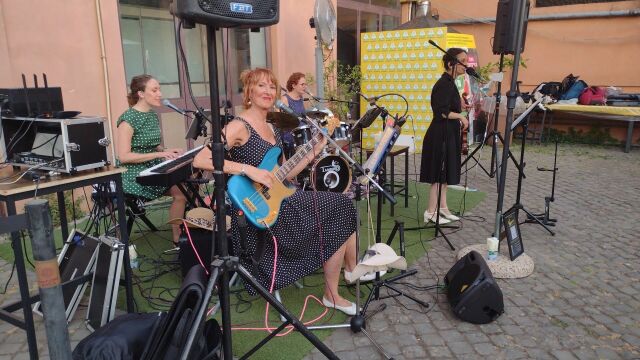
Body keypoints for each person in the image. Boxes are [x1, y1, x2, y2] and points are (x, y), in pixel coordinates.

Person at [193, 68, 359, 315]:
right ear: (249, 91)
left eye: (272, 87)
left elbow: (284, 174)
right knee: (339, 206)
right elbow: (201, 158)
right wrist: (249, 170)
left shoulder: (272, 126)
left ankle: (338, 285)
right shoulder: (239, 125)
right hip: (254, 209)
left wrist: (314, 150)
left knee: (342, 204)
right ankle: (338, 286)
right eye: (261, 86)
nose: (268, 91)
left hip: (280, 199)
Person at [116, 74, 187, 245]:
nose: (159, 94)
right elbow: (124, 156)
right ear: (141, 93)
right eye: (154, 90)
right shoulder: (128, 119)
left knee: (183, 193)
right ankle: (178, 237)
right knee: (181, 191)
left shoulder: (152, 115)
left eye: (159, 89)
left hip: (152, 166)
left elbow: (151, 144)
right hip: (132, 173)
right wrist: (159, 155)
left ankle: (179, 238)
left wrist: (165, 150)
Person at [419, 48, 469, 224]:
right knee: (438, 174)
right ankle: (430, 211)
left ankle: (443, 208)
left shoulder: (451, 83)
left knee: (446, 172)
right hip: (440, 133)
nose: (466, 65)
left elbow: (450, 107)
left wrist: (462, 108)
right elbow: (441, 112)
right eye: (462, 61)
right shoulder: (443, 84)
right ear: (451, 64)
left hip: (449, 132)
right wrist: (461, 116)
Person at [280, 72, 307, 158]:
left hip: (302, 136)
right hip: (291, 138)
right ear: (293, 85)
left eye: (305, 84)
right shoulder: (285, 99)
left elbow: (302, 115)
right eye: (302, 84)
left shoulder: (300, 98)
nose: (305, 87)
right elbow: (279, 121)